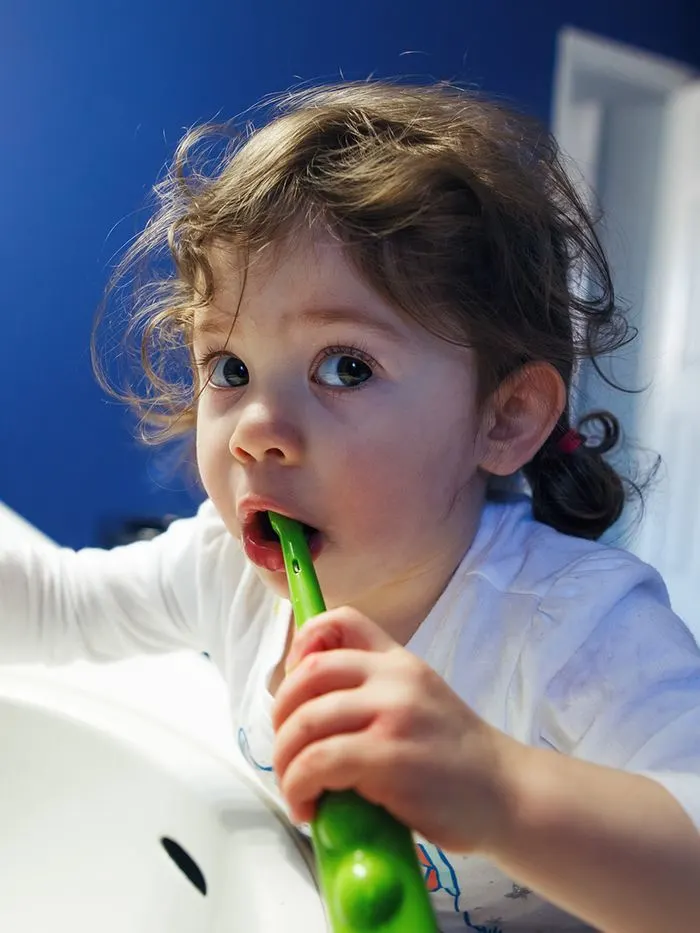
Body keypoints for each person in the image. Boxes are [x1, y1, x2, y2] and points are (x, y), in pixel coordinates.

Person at [3, 81, 700, 932]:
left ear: (504, 417)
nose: (256, 431)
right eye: (229, 368)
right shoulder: (224, 568)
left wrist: (499, 789)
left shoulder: (576, 625)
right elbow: (54, 605)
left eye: (346, 367)